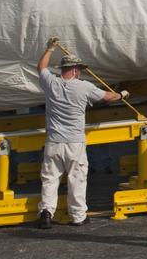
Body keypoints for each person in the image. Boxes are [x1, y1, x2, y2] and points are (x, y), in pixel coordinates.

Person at [34, 38, 121, 229]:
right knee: (77, 179)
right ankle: (78, 216)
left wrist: (49, 48)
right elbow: (108, 97)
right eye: (79, 69)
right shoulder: (84, 87)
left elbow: (41, 67)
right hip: (75, 143)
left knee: (50, 178)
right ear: (75, 70)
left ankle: (46, 213)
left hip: (54, 142)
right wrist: (122, 94)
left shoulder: (52, 84)